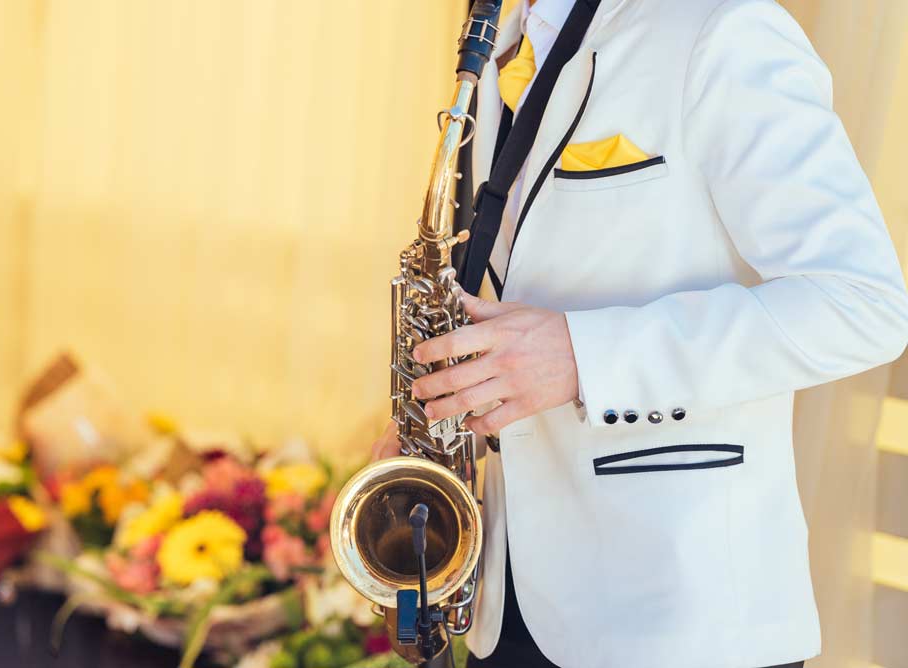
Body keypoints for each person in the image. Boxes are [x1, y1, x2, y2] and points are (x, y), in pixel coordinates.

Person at [371, 0, 908, 667]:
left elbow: (862, 303)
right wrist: (439, 411)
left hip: (679, 614)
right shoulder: (496, 48)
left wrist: (583, 357)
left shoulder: (724, 30)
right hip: (506, 604)